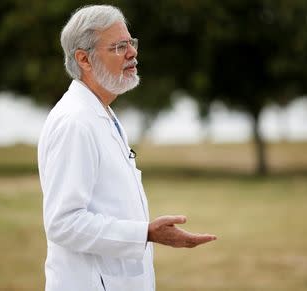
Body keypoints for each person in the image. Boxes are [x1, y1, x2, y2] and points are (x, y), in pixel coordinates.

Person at [38, 5, 217, 291]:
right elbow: (63, 223)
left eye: (131, 43)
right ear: (84, 59)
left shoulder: (102, 113)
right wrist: (144, 233)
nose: (132, 53)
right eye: (119, 47)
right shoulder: (75, 122)